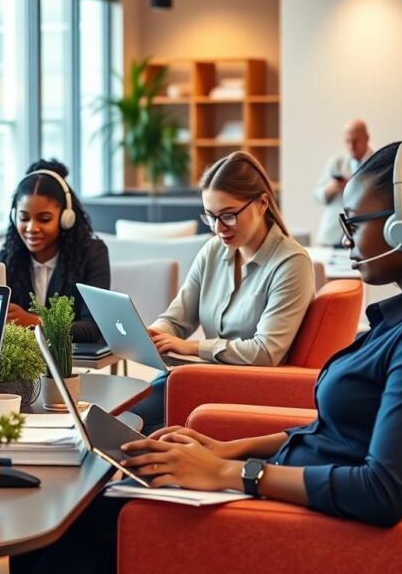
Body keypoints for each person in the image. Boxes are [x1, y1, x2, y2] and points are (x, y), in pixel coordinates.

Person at [14, 104, 402, 574]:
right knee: (89, 496)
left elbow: (380, 490)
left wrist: (229, 473)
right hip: (279, 484)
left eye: (354, 223)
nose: (346, 239)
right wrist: (226, 448)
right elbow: (334, 433)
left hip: (296, 518)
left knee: (85, 516)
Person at [130, 151, 316, 431]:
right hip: (204, 376)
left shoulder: (291, 262)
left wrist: (192, 347)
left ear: (262, 203)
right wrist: (156, 333)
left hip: (249, 387)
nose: (218, 228)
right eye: (210, 216)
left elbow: (265, 352)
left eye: (228, 215)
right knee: (124, 408)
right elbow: (177, 319)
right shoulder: (213, 251)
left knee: (132, 417)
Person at [0, 160, 110, 342]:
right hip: (24, 356)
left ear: (66, 218)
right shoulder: (5, 260)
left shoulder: (92, 254)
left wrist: (36, 322)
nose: (32, 228)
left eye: (44, 219)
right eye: (24, 218)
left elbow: (93, 329)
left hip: (75, 356)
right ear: (14, 217)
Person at [315, 119, 373, 246]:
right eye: (348, 141)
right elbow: (317, 195)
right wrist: (330, 188)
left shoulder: (378, 162)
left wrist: (354, 187)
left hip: (365, 233)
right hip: (334, 234)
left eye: (356, 141)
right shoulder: (336, 163)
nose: (351, 146)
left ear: (367, 138)